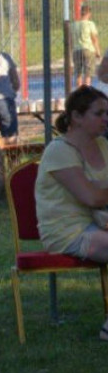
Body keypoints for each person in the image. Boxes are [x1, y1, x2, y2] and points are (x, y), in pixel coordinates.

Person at [36, 86, 108, 338]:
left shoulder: (102, 145)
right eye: (99, 114)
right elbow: (91, 197)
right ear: (76, 117)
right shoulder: (58, 151)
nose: (106, 119)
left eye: (107, 113)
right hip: (66, 231)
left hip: (99, 224)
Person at [72, 5, 101, 89]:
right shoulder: (90, 24)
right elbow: (94, 39)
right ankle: (87, 92)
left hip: (77, 50)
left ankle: (79, 92)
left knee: (78, 73)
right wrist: (98, 51)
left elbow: (71, 39)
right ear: (89, 14)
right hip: (88, 49)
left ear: (81, 13)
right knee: (88, 73)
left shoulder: (75, 25)